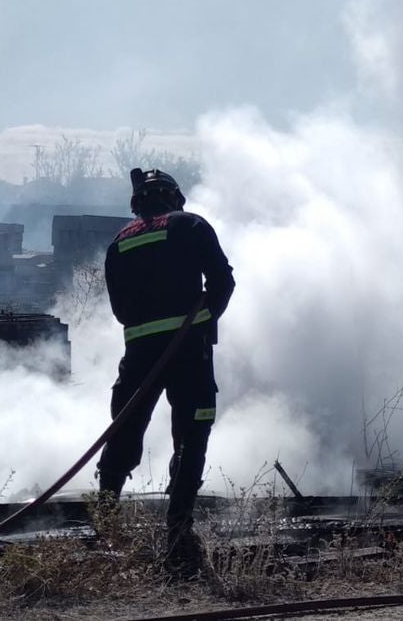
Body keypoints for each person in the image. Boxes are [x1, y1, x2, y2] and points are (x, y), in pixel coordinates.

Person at [96, 167, 235, 574]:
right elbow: (223, 281)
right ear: (175, 198)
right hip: (189, 349)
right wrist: (202, 316)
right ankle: (178, 529)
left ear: (137, 204)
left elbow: (120, 310)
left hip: (139, 354)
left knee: (124, 428)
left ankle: (105, 522)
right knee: (193, 430)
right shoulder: (191, 225)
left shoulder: (118, 243)